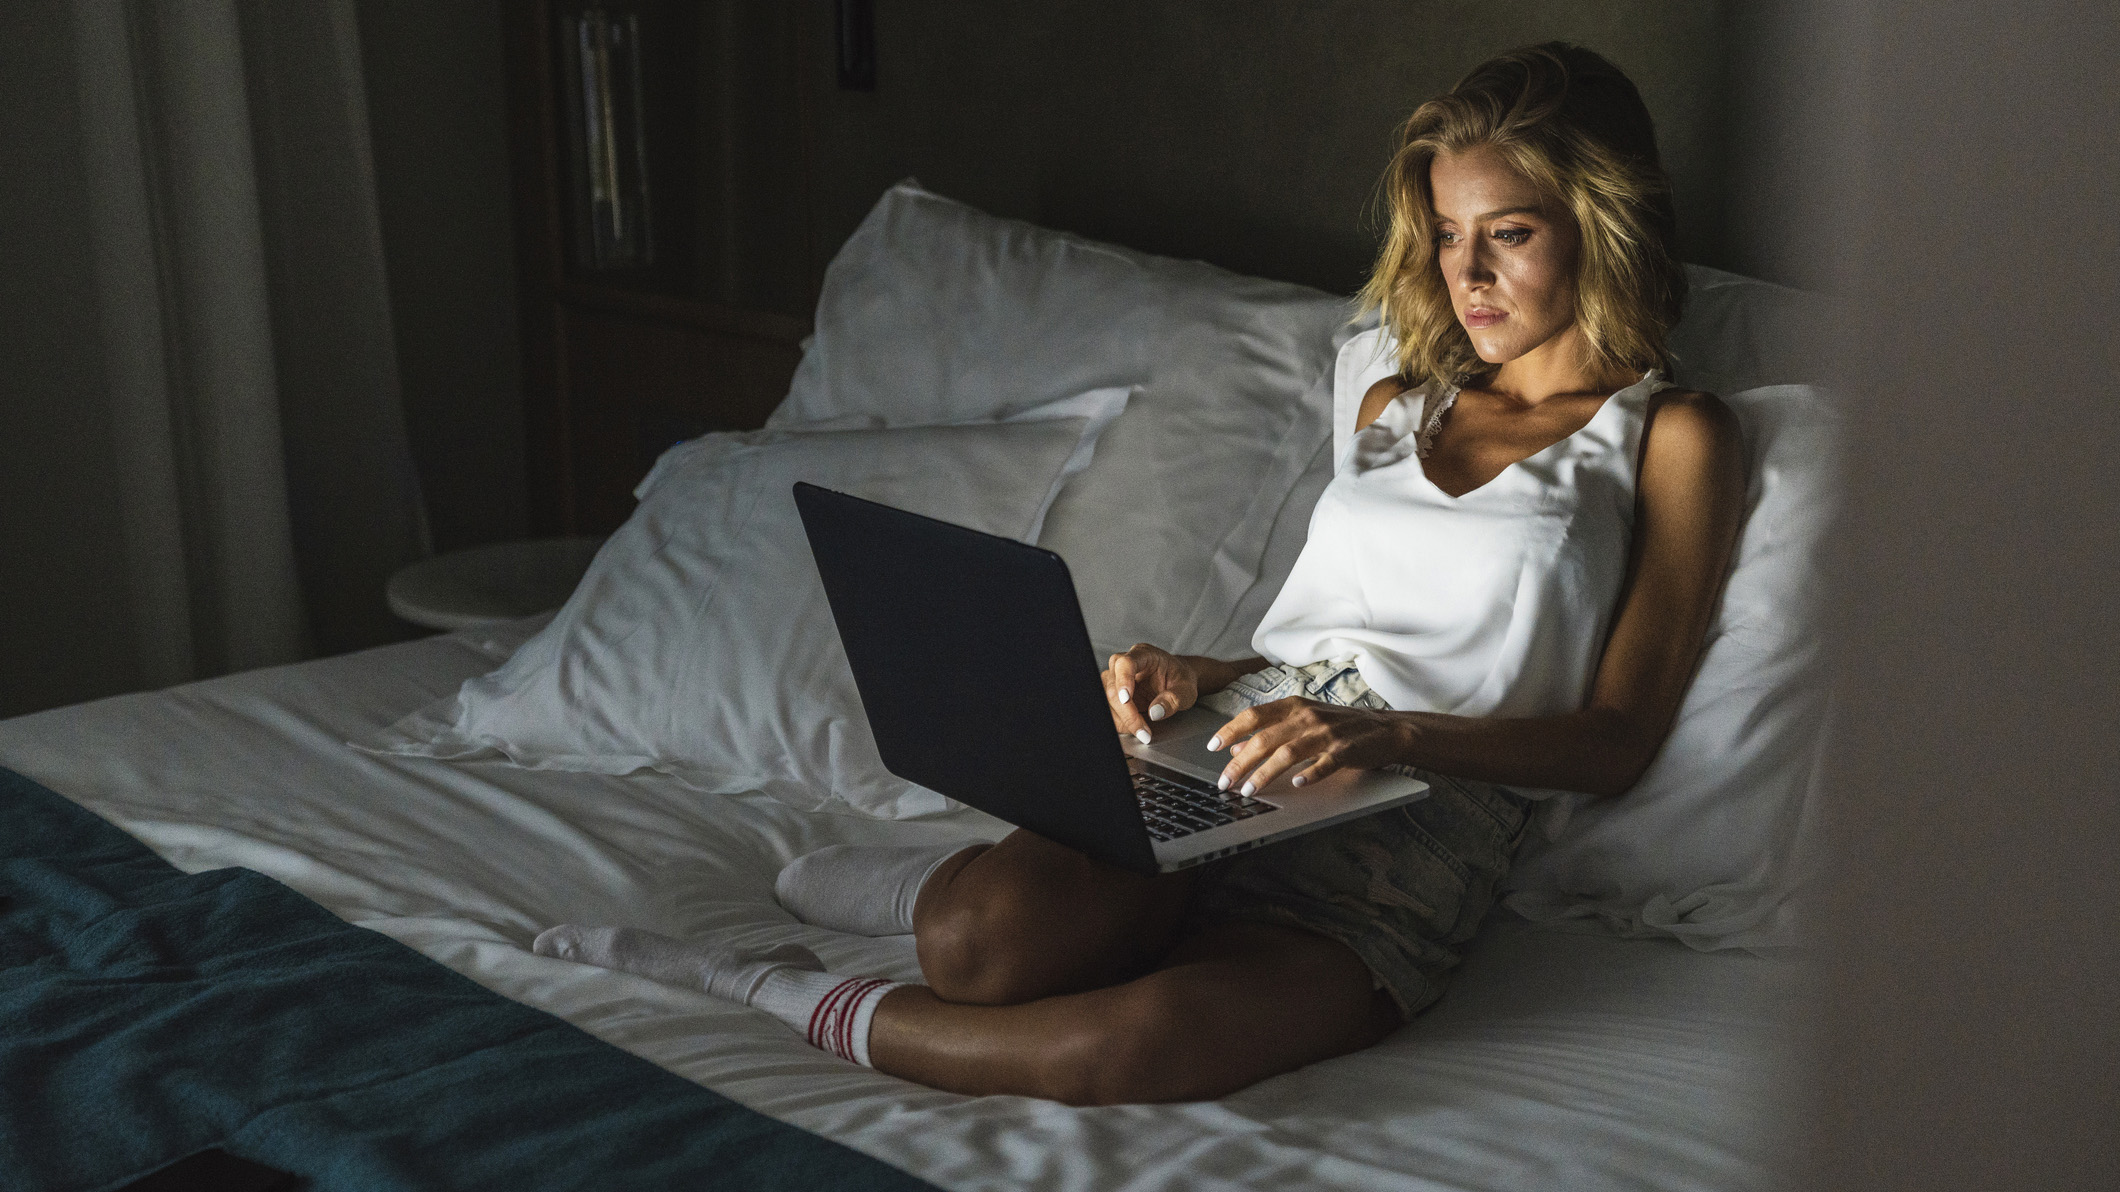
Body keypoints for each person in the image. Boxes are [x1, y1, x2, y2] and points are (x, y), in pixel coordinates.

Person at [533, 42, 1745, 1106]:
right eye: (1443, 235)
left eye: (1508, 234)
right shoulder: (1392, 401)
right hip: (1238, 756)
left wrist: (1391, 739)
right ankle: (938, 891)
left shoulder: (1668, 435)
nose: (1463, 274)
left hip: (1423, 815)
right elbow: (1327, 637)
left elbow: (1614, 736)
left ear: (1600, 220)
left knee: (1128, 1046)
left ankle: (754, 983)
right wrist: (1193, 674)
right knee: (973, 949)